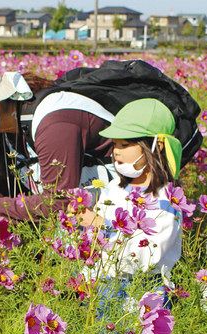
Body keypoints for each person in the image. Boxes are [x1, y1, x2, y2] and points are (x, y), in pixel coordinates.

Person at [0, 55, 114, 221]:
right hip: (80, 216)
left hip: (111, 208)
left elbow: (59, 203)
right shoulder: (1, 129)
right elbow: (12, 186)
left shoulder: (54, 123)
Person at [75, 99, 184, 318]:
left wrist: (101, 228)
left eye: (125, 145)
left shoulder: (166, 201)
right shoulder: (116, 186)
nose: (116, 152)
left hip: (141, 294)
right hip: (104, 285)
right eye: (115, 144)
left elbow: (144, 258)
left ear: (157, 146)